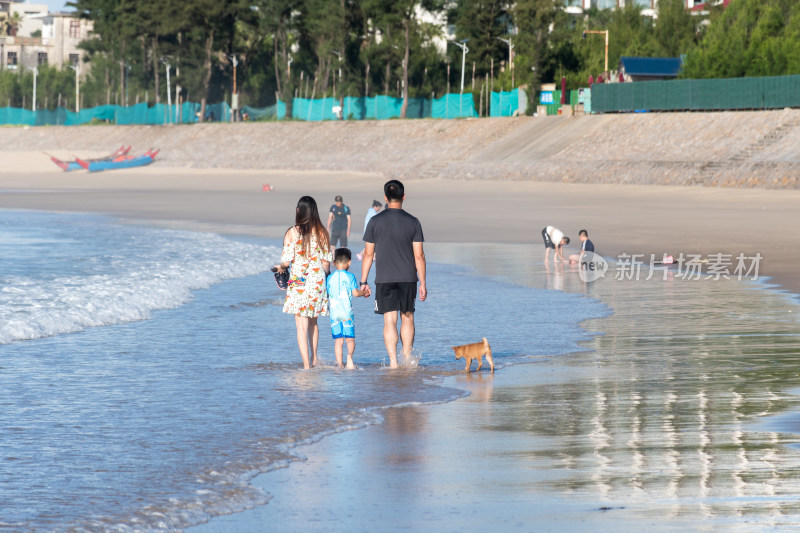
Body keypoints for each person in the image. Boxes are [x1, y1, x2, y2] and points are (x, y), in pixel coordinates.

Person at [361, 180, 427, 369]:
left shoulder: (375, 221)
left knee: (389, 320)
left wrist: (363, 281)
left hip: (384, 278)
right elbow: (419, 256)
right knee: (407, 317)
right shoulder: (413, 221)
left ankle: (393, 363)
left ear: (385, 198)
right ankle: (407, 358)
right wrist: (423, 282)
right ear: (403, 197)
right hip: (408, 278)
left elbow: (368, 254)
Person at [275, 196, 332, 369]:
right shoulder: (322, 232)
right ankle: (314, 359)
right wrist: (325, 281)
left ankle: (307, 366)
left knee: (301, 326)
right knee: (313, 323)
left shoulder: (292, 232)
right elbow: (326, 263)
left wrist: (280, 268)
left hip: (299, 282)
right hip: (317, 282)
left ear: (299, 211)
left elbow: (286, 261)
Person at [326, 248, 369, 369]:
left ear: (334, 263)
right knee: (350, 339)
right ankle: (349, 356)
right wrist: (364, 292)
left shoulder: (329, 278)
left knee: (338, 341)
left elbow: (327, 294)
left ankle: (339, 364)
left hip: (334, 314)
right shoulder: (350, 276)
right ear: (349, 262)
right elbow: (355, 293)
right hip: (347, 314)